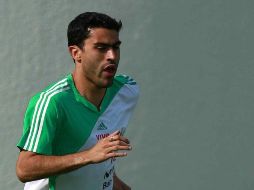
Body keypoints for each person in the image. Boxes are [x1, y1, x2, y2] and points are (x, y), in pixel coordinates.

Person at [16, 12, 139, 190]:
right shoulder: (52, 102)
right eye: (101, 48)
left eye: (115, 47)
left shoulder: (127, 91)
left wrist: (117, 185)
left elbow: (98, 164)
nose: (112, 56)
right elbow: (24, 168)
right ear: (76, 53)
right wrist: (89, 155)